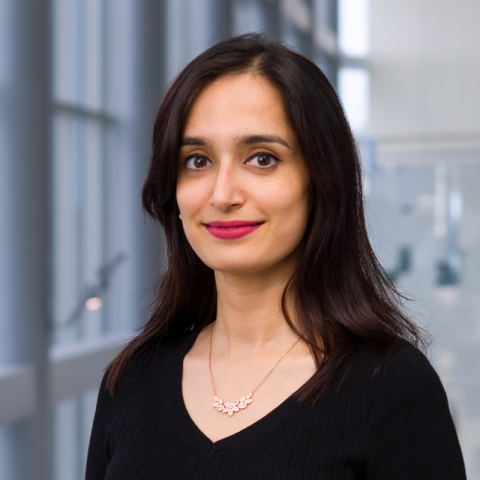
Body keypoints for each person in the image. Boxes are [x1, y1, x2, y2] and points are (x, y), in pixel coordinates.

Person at [85, 33, 466, 479]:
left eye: (262, 158)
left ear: (320, 179)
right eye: (197, 160)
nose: (222, 194)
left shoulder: (390, 388)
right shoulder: (131, 380)